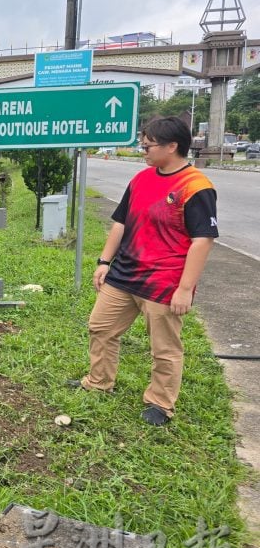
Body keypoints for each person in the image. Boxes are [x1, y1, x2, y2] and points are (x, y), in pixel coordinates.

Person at [70, 117, 218, 426]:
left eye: (147, 144)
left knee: (164, 347)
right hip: (124, 273)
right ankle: (99, 382)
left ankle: (160, 404)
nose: (143, 150)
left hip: (164, 280)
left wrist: (185, 288)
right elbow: (121, 223)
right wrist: (103, 261)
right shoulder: (141, 179)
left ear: (172, 146)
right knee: (100, 327)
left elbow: (202, 241)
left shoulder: (196, 187)